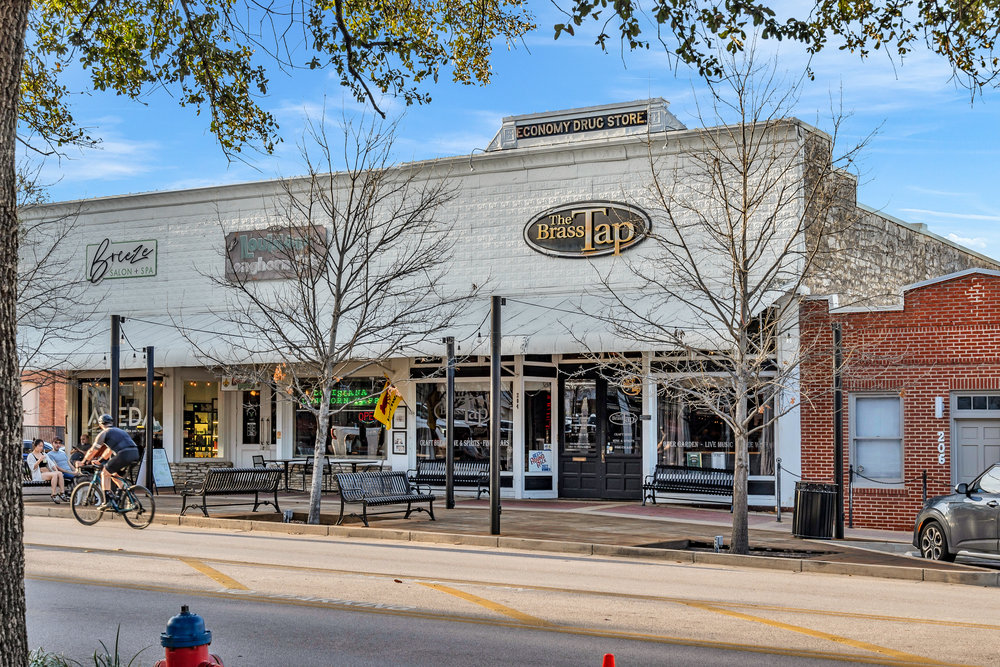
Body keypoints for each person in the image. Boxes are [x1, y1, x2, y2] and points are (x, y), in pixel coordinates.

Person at [83, 414, 141, 508]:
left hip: (123, 454)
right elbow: (109, 451)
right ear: (111, 422)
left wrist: (84, 461)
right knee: (114, 475)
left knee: (104, 473)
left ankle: (107, 501)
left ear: (101, 424)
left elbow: (92, 450)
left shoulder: (104, 433)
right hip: (135, 453)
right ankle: (132, 500)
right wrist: (100, 460)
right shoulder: (120, 431)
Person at [25, 439, 66, 503]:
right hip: (39, 475)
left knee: (59, 473)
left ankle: (62, 493)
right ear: (35, 446)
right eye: (39, 446)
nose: (41, 448)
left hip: (47, 473)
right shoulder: (31, 456)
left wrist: (56, 470)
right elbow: (32, 468)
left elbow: (51, 463)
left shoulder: (43, 454)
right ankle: (53, 494)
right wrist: (39, 460)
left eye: (42, 446)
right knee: (54, 475)